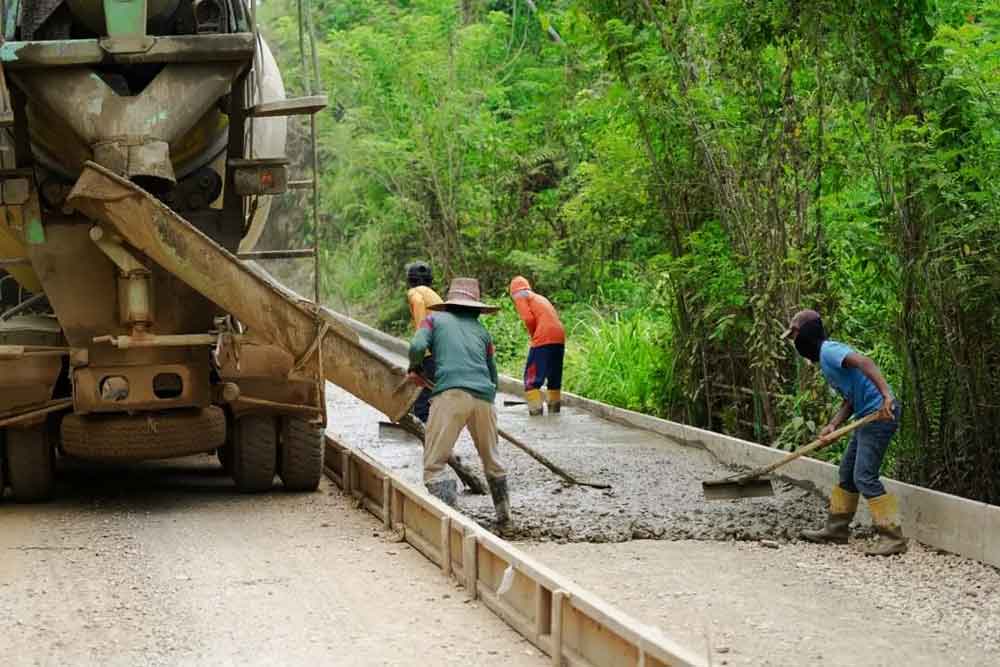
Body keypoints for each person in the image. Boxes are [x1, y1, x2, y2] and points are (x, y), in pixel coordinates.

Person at [782, 309, 906, 556]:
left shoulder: (829, 351)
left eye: (795, 334)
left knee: (864, 476)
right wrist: (833, 425)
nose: (794, 341)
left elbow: (865, 362)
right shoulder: (826, 361)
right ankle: (837, 529)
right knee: (847, 473)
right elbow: (850, 398)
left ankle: (893, 537)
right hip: (865, 417)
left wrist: (886, 396)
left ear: (806, 333)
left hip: (880, 415)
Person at [407, 277, 513, 535]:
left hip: (450, 396)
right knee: (493, 460)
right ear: (475, 306)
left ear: (450, 301)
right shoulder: (482, 332)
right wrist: (485, 400)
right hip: (484, 399)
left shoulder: (434, 320)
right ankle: (504, 516)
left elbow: (418, 345)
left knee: (435, 464)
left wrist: (416, 368)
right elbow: (493, 375)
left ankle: (452, 520)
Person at [509, 276, 565, 416]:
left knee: (531, 379)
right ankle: (554, 410)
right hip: (559, 336)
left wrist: (534, 334)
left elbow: (528, 318)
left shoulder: (519, 295)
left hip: (543, 336)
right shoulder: (539, 298)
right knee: (554, 377)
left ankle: (536, 413)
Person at [404, 262, 443, 423]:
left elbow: (419, 308)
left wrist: (419, 359)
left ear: (410, 280)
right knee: (431, 394)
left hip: (431, 351)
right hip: (443, 349)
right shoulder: (433, 295)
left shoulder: (415, 293)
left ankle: (425, 435)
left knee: (422, 398)